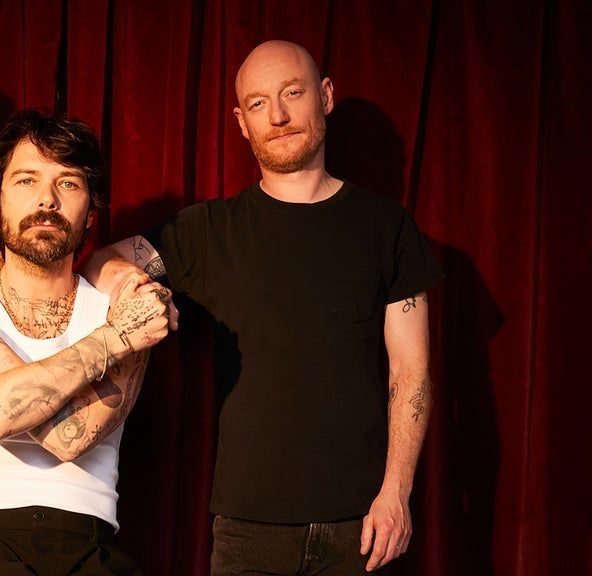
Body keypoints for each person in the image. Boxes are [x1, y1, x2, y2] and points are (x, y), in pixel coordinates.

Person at [82, 40, 443, 575]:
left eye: (292, 93)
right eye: (258, 103)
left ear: (325, 96)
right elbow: (98, 263)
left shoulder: (387, 228)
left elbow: (411, 371)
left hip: (364, 525)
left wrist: (396, 492)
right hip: (248, 531)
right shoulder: (209, 230)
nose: (277, 116)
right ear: (241, 122)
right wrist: (138, 287)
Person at [0, 110, 170, 575]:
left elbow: (71, 437)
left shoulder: (122, 306)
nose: (47, 199)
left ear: (91, 210)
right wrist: (113, 340)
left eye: (68, 183)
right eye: (26, 180)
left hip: (89, 549)